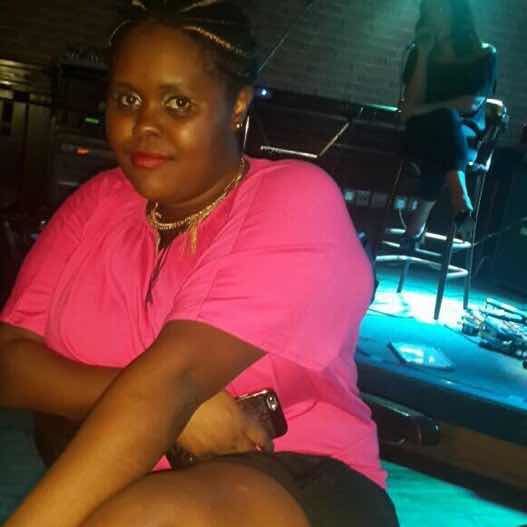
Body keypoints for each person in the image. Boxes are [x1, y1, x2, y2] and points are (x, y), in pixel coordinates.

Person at [0, 1, 398, 526]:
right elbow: (9, 360)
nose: (145, 125)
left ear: (237, 106)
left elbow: (177, 379)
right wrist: (173, 413)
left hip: (294, 474)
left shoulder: (295, 200)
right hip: (121, 478)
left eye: (178, 103)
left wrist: (178, 405)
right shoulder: (96, 205)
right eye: (128, 99)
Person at [399, 0, 497, 248]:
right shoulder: (419, 53)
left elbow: (471, 102)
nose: (435, 16)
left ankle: (417, 223)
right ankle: (459, 196)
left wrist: (426, 108)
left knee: (445, 121)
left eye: (441, 8)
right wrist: (423, 55)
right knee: (442, 122)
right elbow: (411, 103)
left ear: (457, 12)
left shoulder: (484, 54)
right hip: (421, 134)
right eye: (429, 10)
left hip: (463, 136)